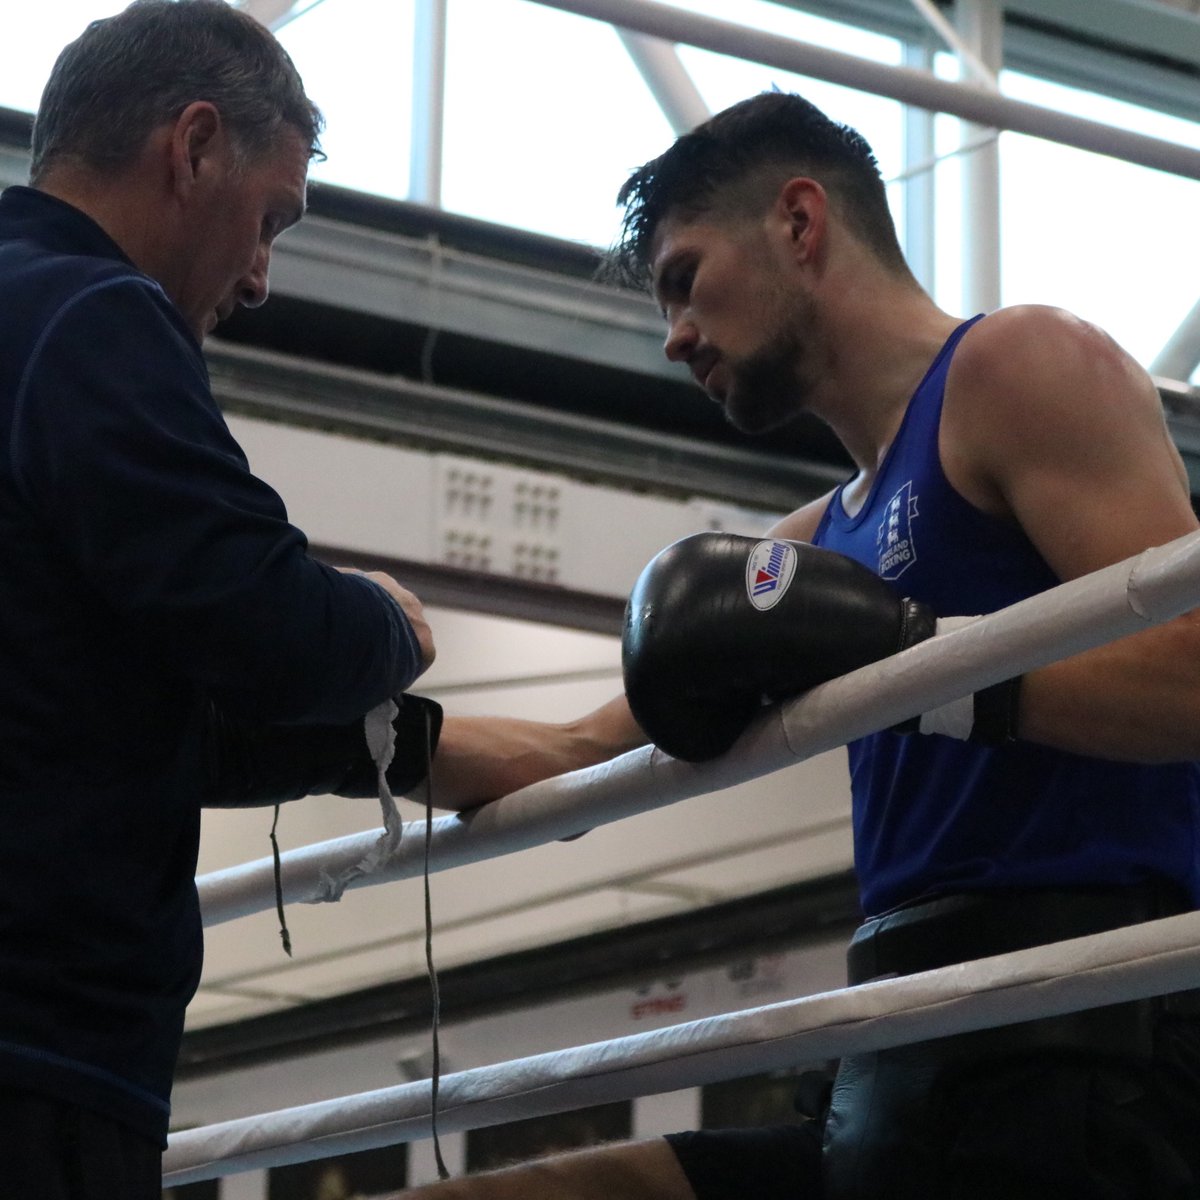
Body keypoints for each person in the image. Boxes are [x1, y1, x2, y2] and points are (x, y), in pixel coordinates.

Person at [396, 91, 1200, 1199]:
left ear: (800, 221)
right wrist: (355, 733)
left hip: (1090, 1035)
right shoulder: (809, 548)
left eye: (686, 278)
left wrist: (917, 662)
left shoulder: (1019, 365)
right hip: (904, 1035)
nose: (675, 335)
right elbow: (575, 755)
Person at [0, 3, 455, 1195]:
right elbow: (267, 629)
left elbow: (85, 706)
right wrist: (386, 623)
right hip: (37, 1057)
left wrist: (373, 746)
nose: (259, 277)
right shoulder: (93, 313)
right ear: (194, 146)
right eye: (270, 221)